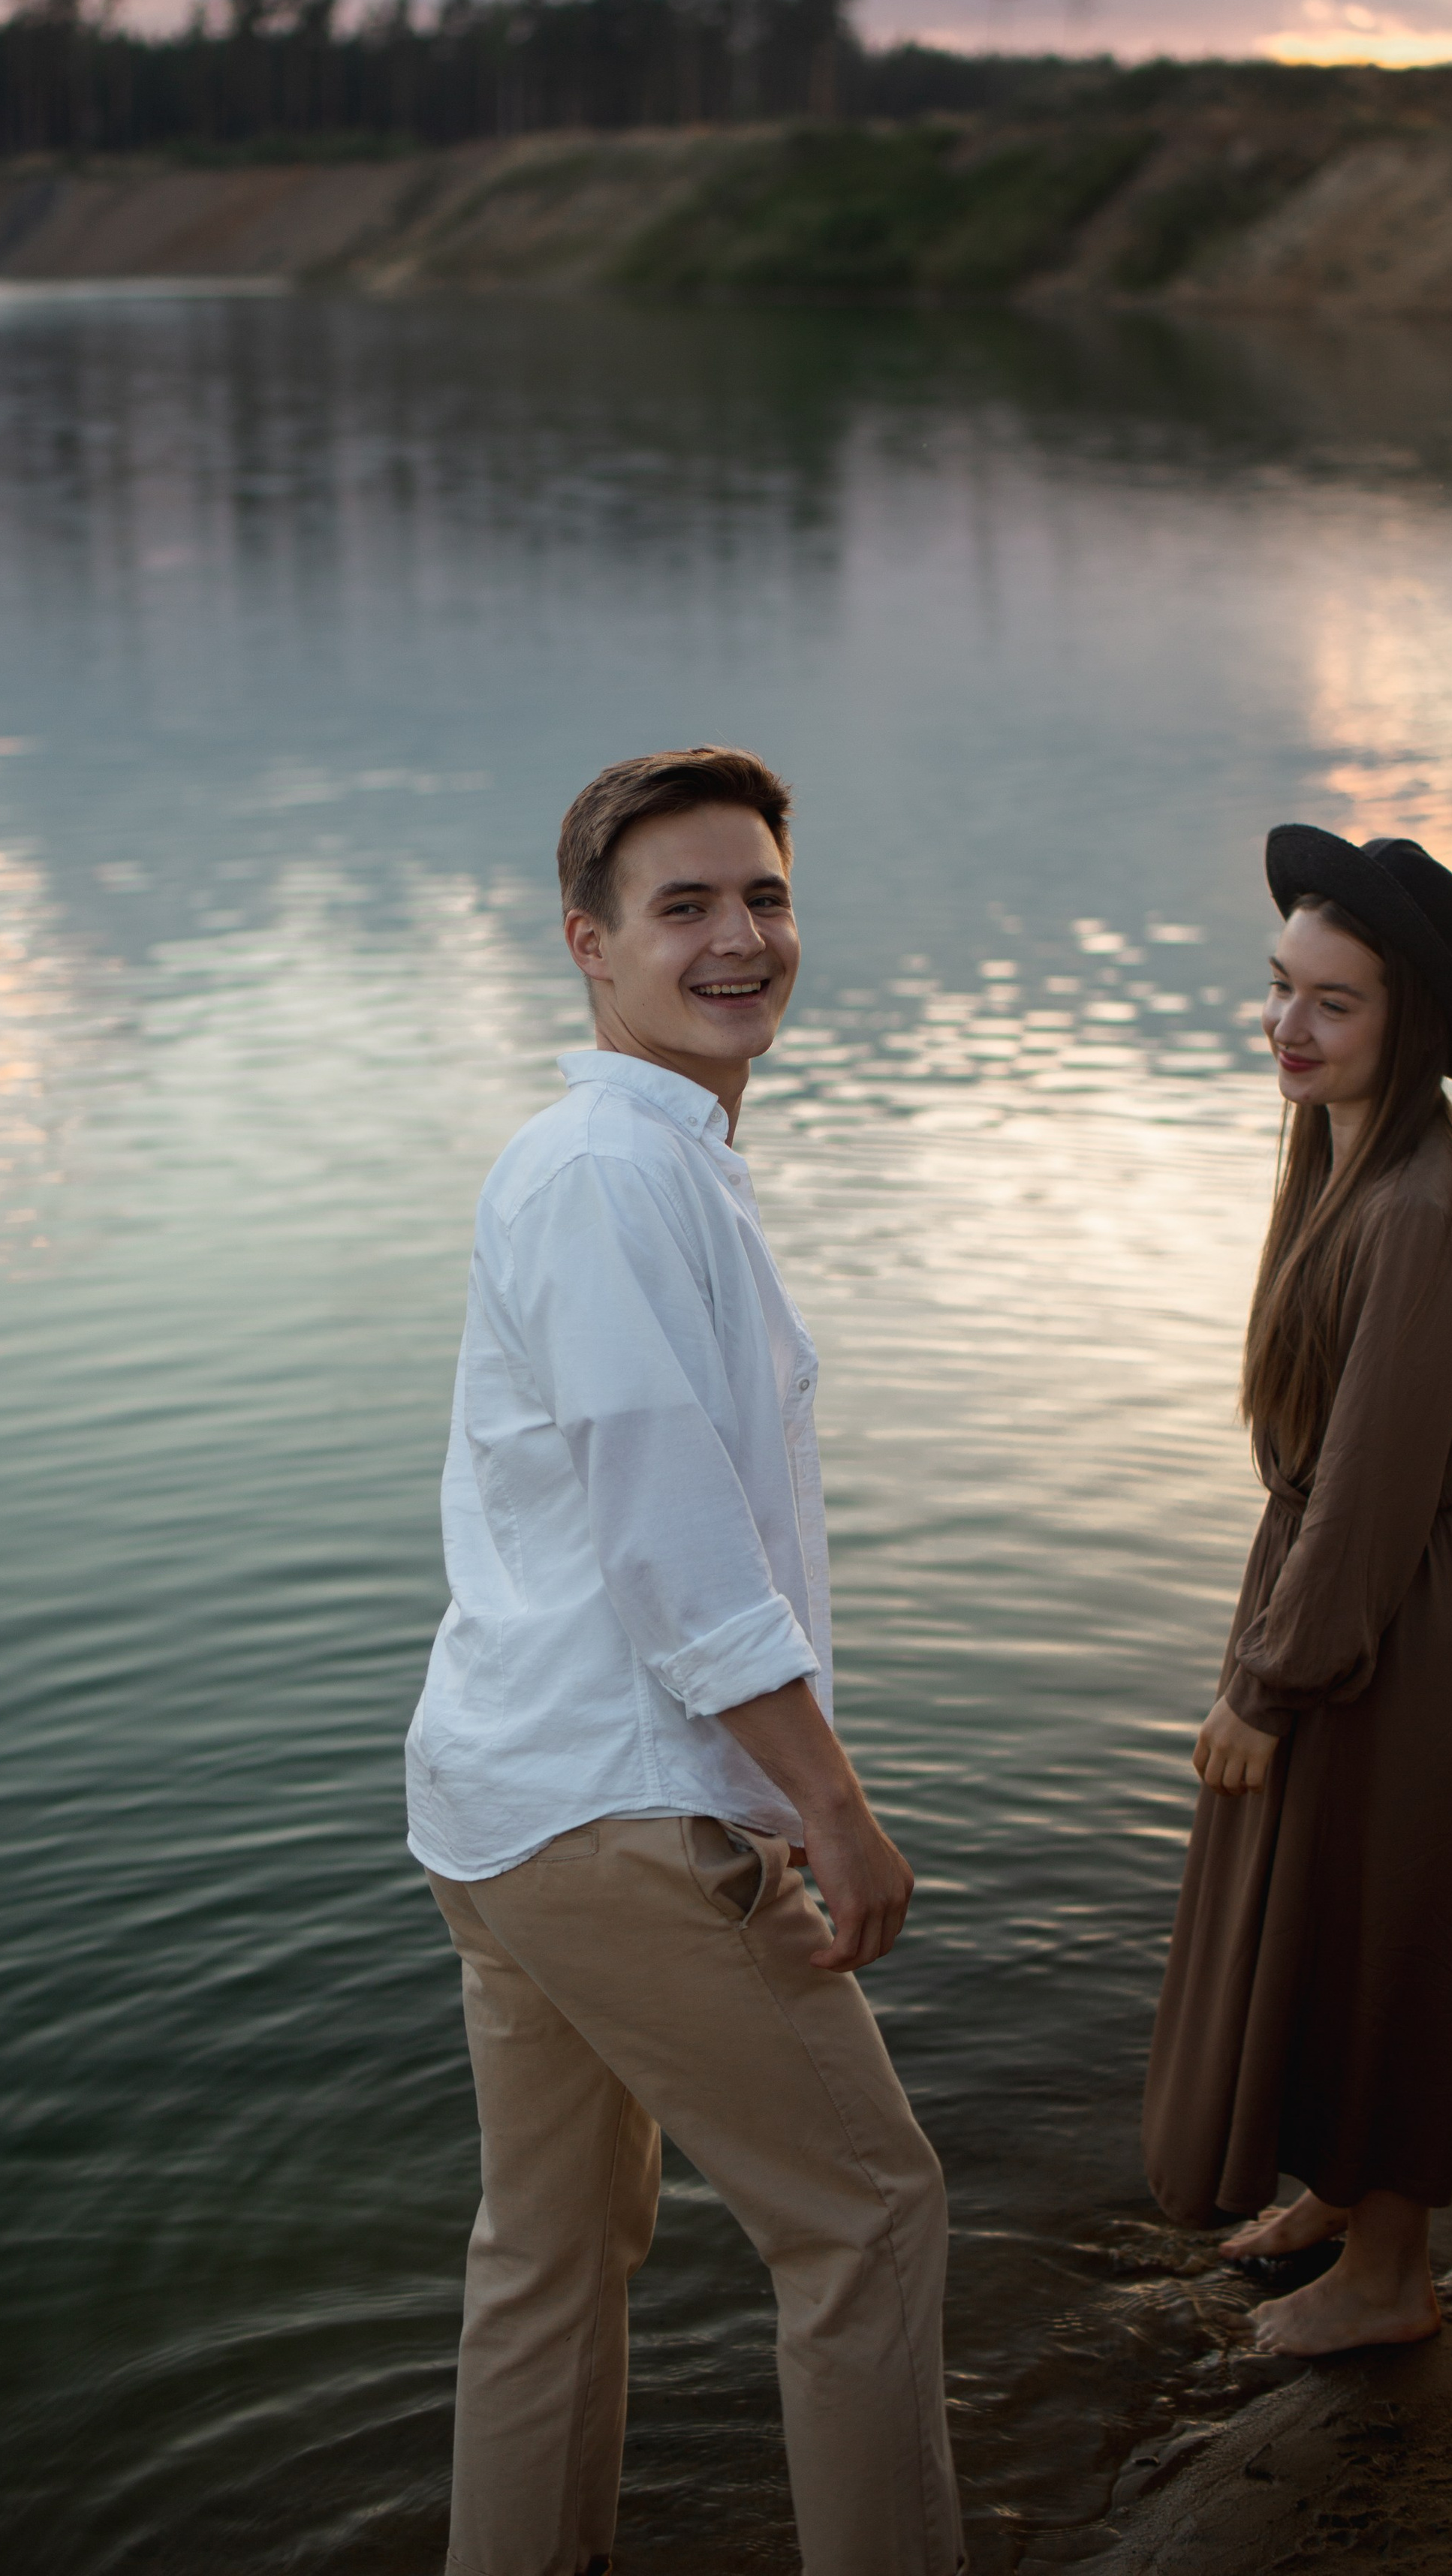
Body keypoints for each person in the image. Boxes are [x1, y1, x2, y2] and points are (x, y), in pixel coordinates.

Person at [407, 747, 962, 2576]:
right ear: (589, 945)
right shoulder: (603, 1176)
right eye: (685, 907)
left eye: (765, 897)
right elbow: (671, 1540)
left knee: (548, 2256)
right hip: (616, 1806)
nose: (741, 939)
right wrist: (830, 1809)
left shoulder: (649, 1163)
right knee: (866, 2217)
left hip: (514, 1802)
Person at [1143, 825, 1452, 2358]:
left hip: (1394, 1618)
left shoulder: (1420, 1210)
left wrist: (1264, 1682)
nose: (1285, 1026)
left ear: (1405, 1024)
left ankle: (1390, 2273)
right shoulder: (1346, 1160)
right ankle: (1338, 2197)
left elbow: (1368, 1491)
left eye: (1332, 1002)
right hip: (1350, 1592)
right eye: (1279, 987)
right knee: (1318, 1912)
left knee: (1383, 1934)